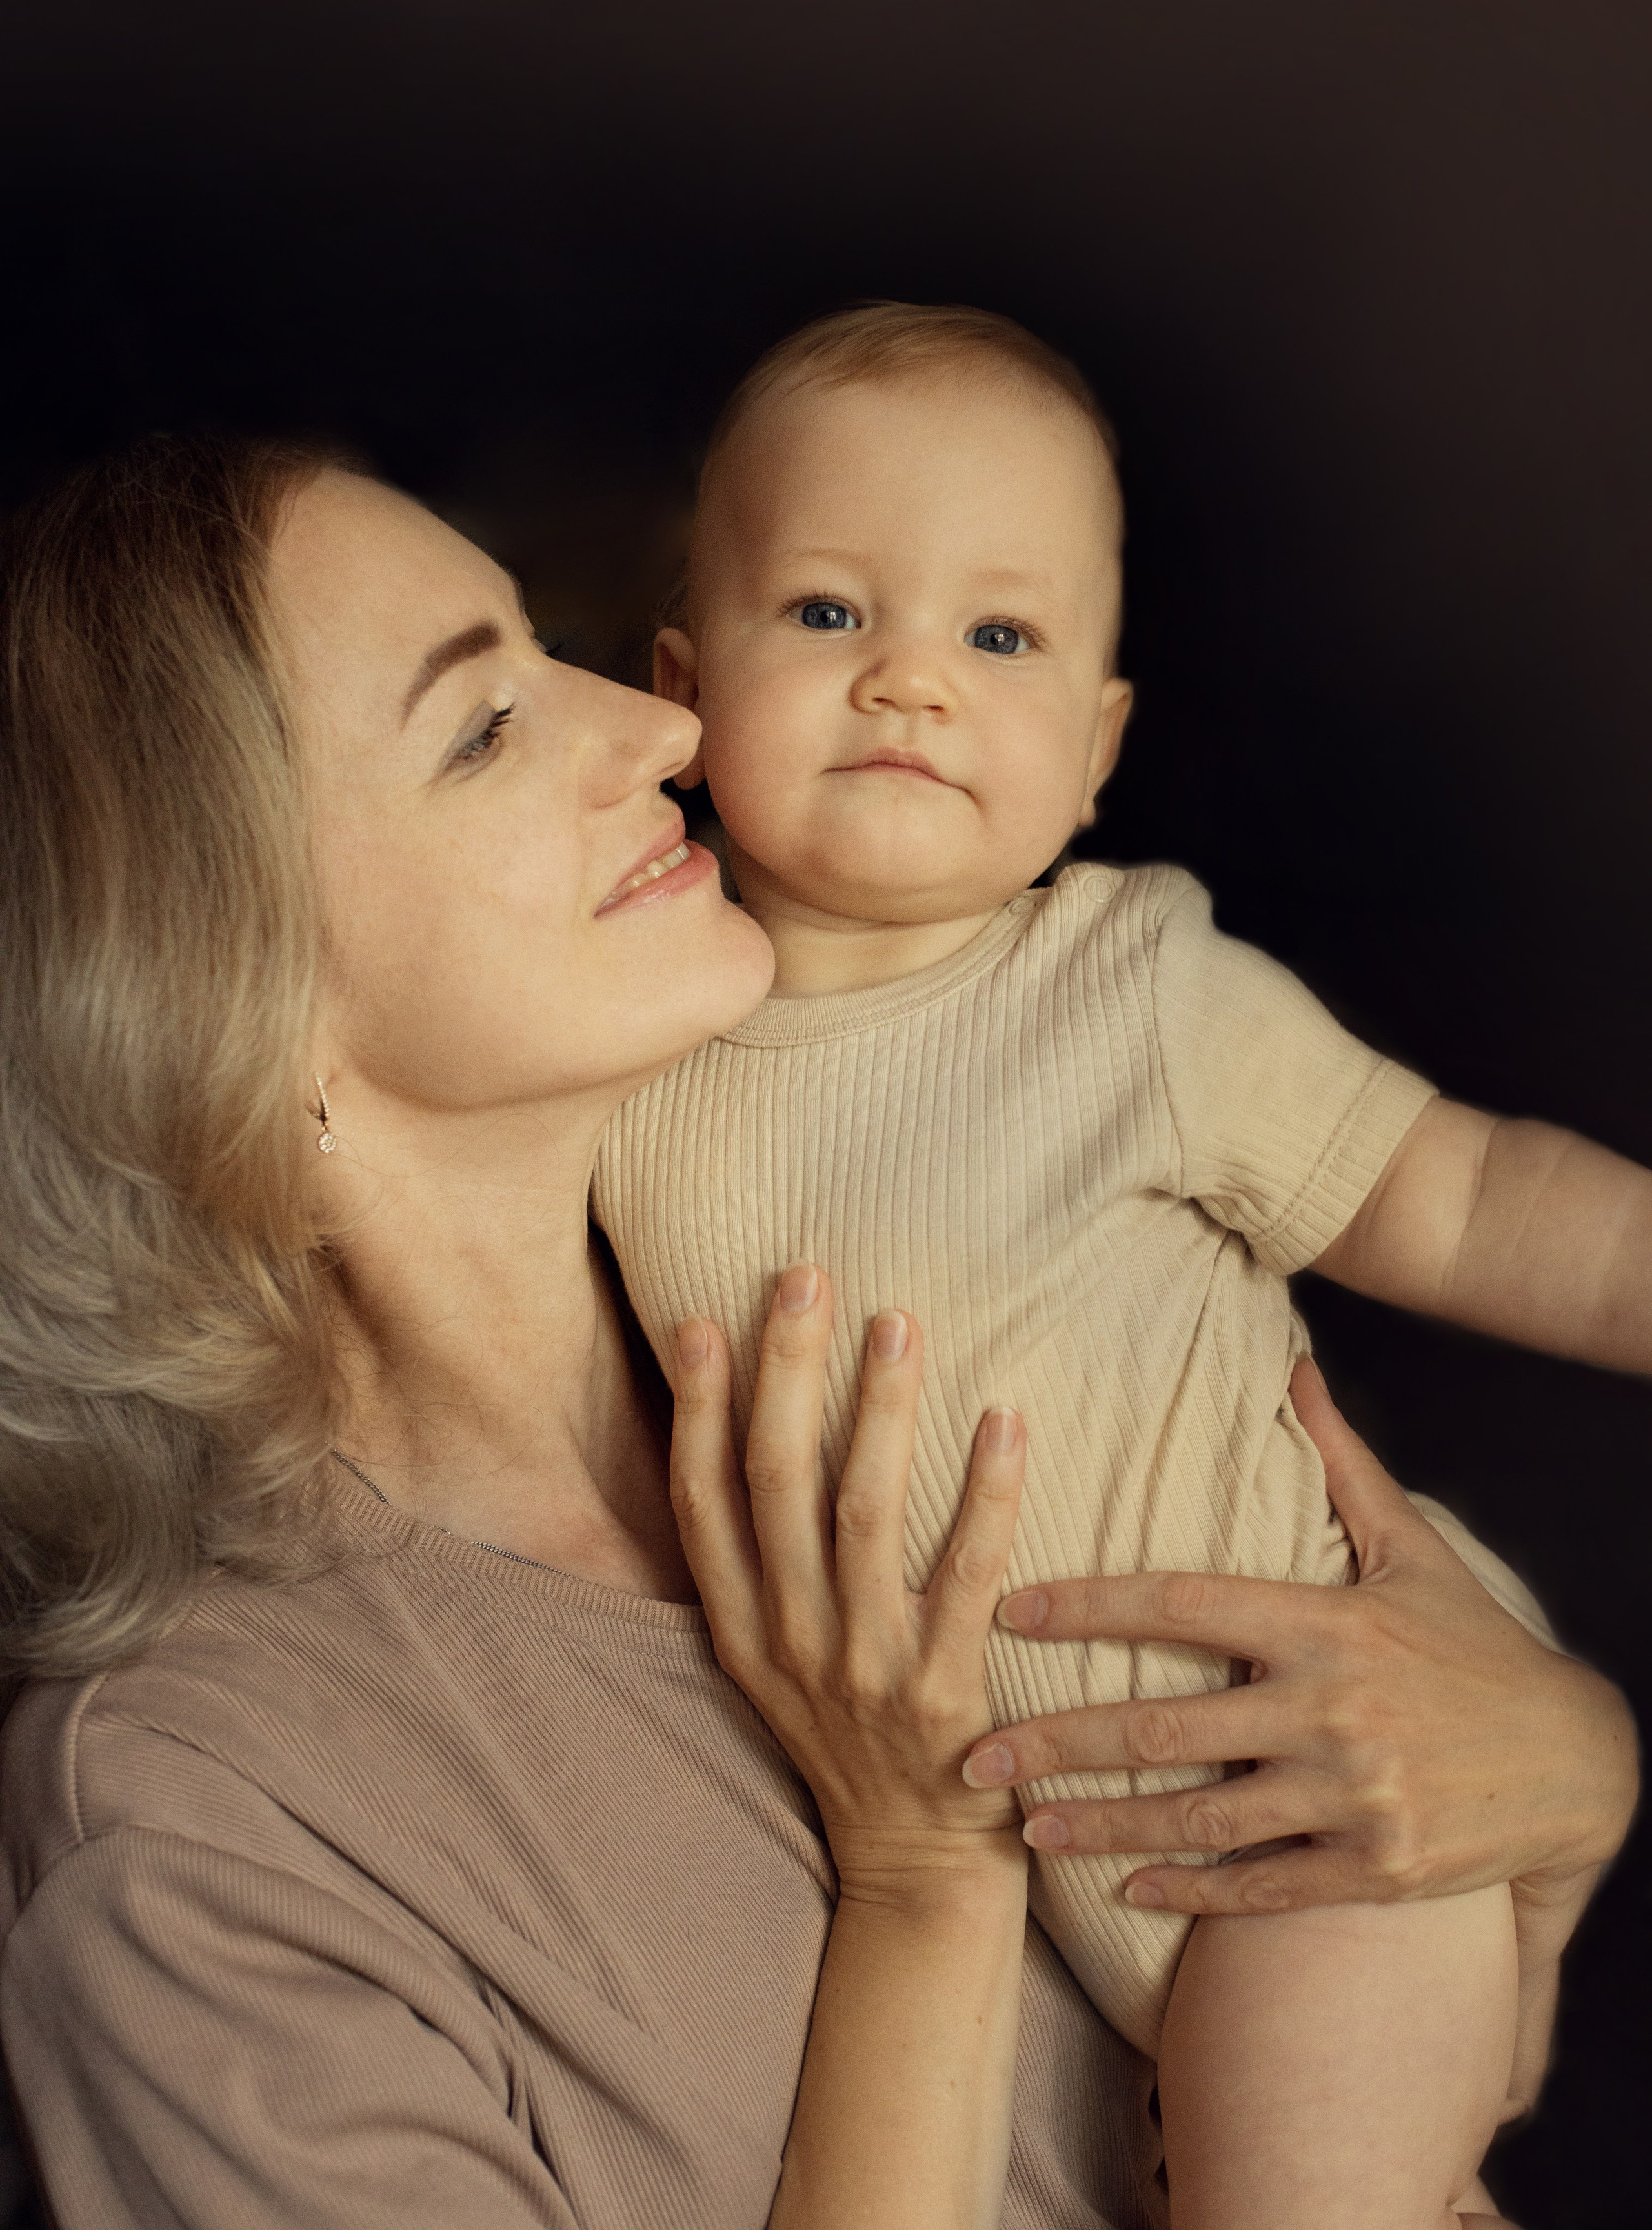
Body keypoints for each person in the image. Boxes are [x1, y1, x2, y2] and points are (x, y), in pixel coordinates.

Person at [0, 436, 1635, 2230]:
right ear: (233, 1034)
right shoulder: (197, 1833)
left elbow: (1418, 1834)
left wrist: (1565, 1762)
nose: (658, 728)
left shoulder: (888, 1260)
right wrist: (923, 1880)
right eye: (482, 729)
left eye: (553, 652)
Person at [593, 301, 1652, 2225]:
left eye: (997, 638)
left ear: (1094, 753)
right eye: (829, 613)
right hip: (1065, 1903)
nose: (909, 681)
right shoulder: (617, 1053)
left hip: (1334, 1813)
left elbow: (1470, 1198)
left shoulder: (1131, 991)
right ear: (681, 683)